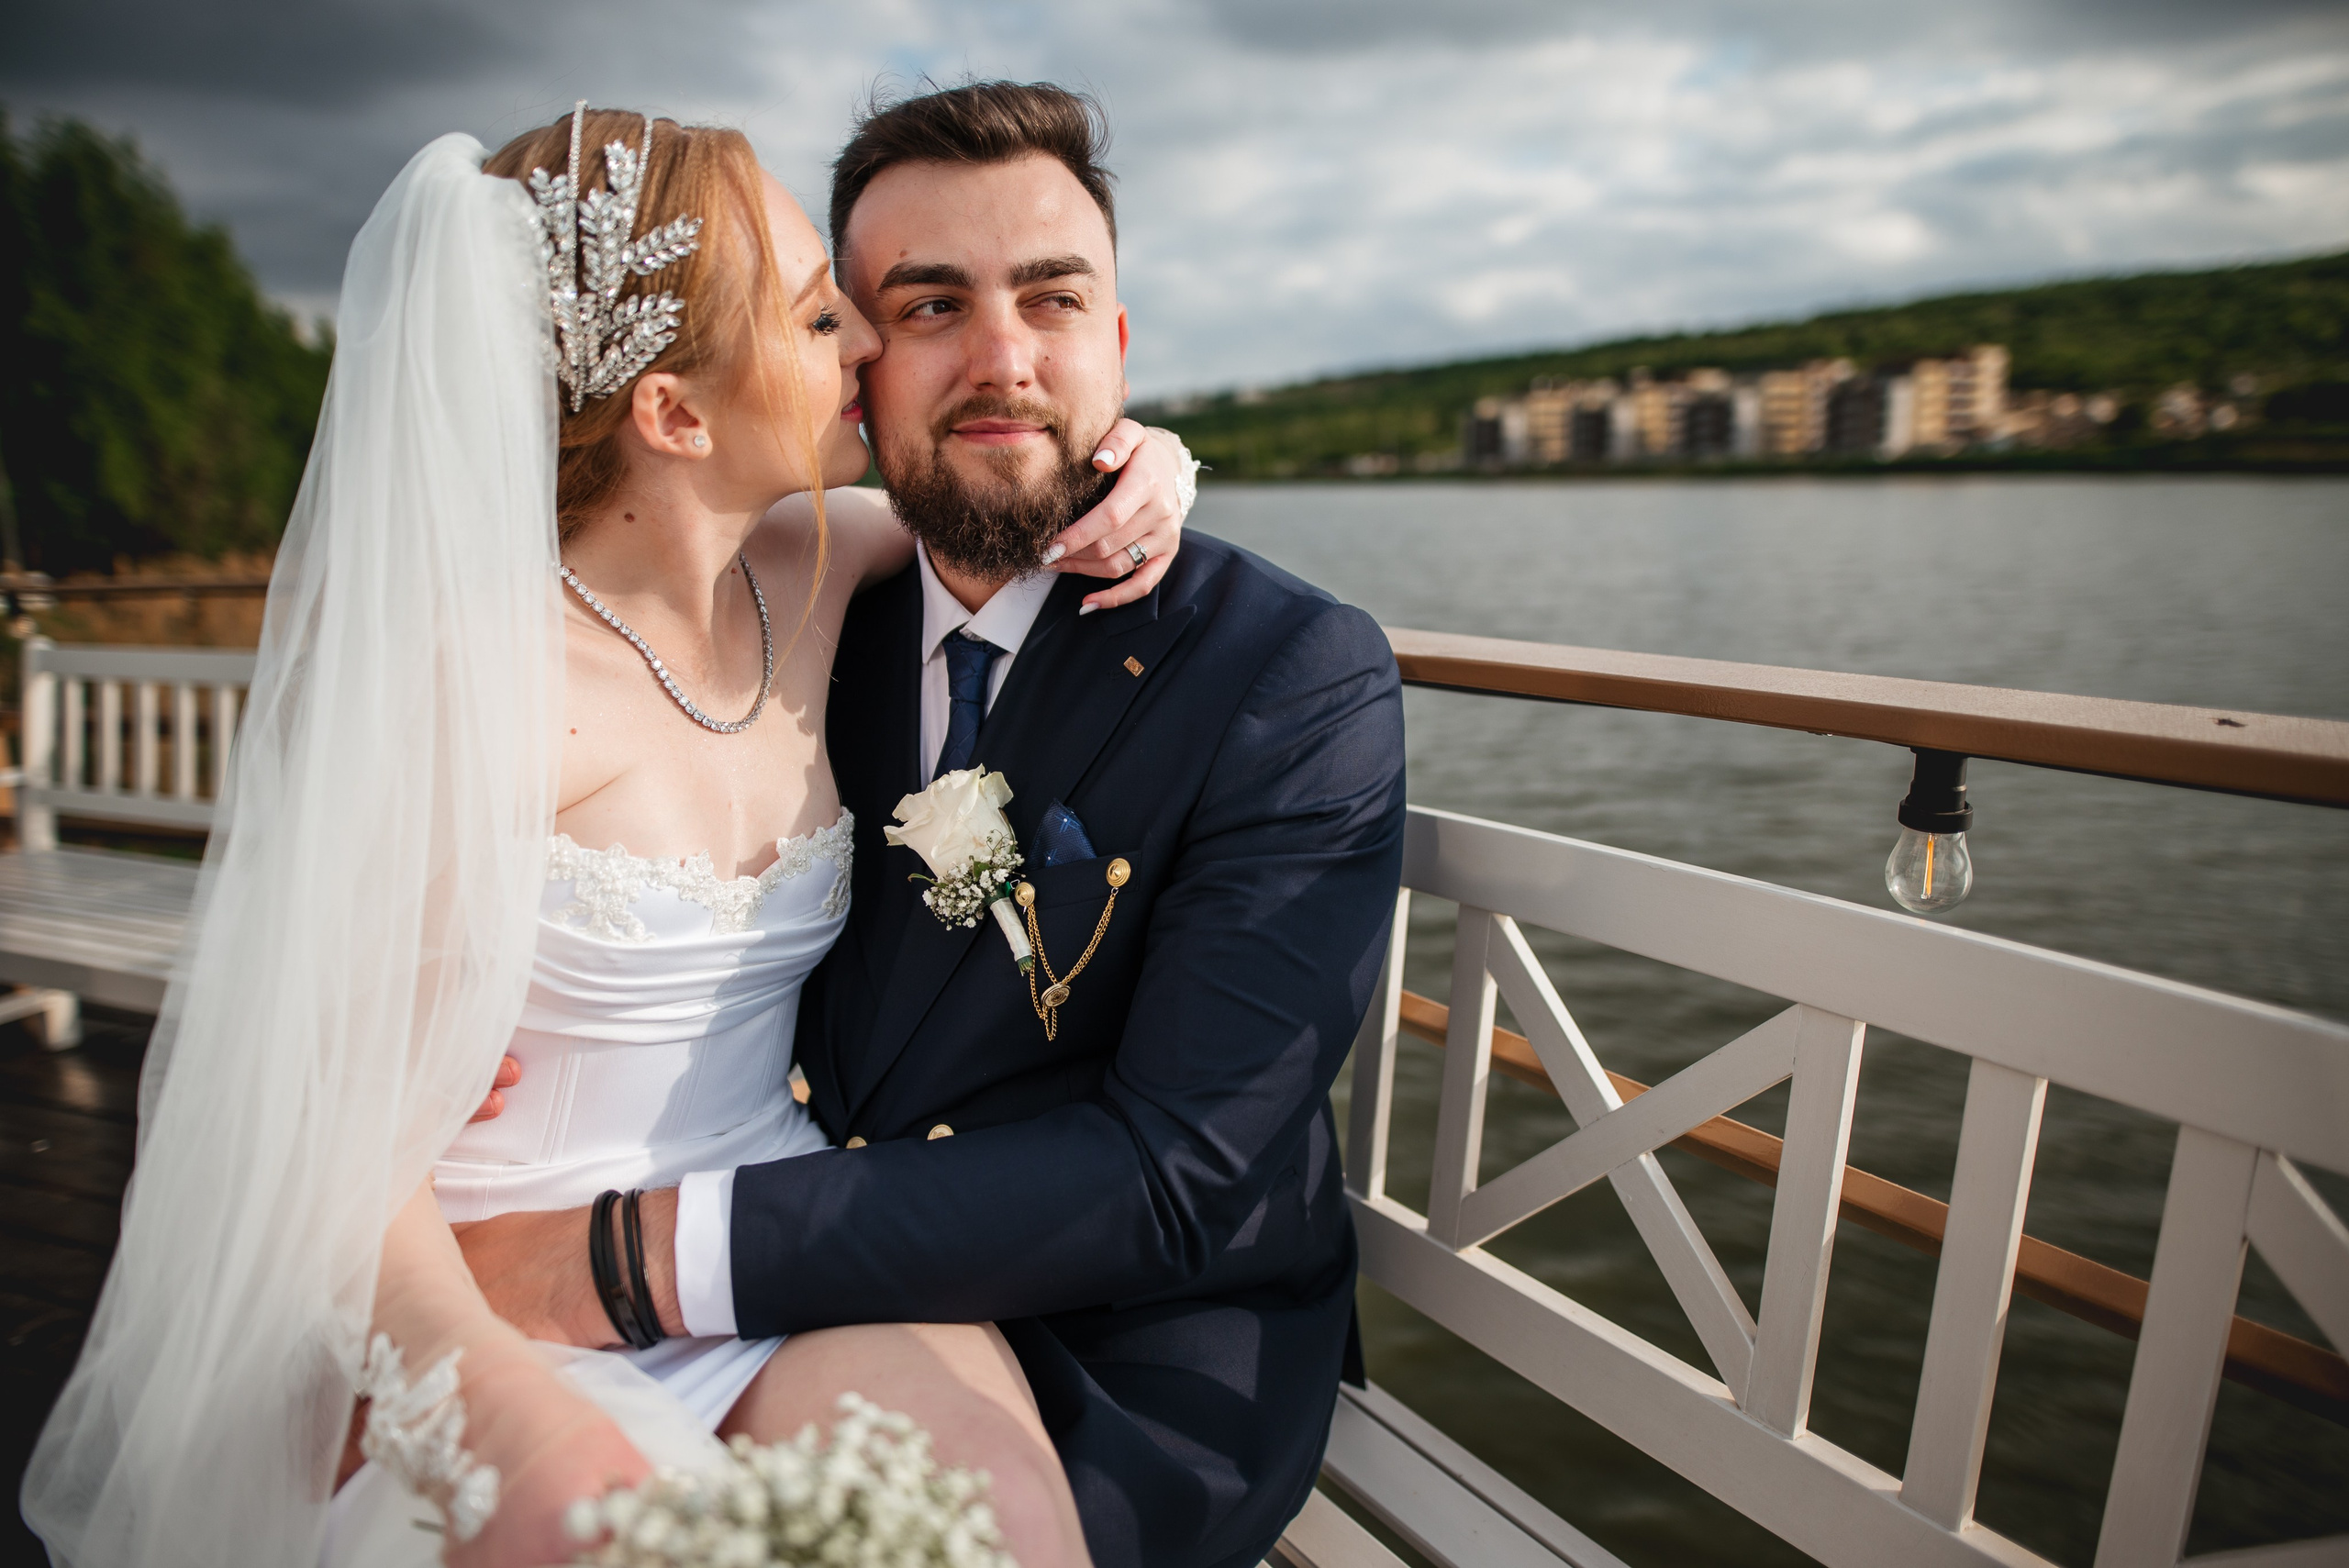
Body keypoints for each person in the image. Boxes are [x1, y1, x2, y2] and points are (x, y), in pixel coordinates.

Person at [23, 102, 1194, 1568]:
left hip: (756, 1214)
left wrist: (1145, 461)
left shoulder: (817, 573)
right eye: (816, 310)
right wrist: (504, 1407)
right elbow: (328, 1144)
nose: (867, 345)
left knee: (1002, 1528)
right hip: (477, 1274)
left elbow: (1008, 488)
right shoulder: (474, 679)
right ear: (676, 414)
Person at [458, 82, 1408, 1568]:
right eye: (928, 305)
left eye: (1054, 300)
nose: (1005, 359)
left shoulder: (1285, 672)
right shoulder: (787, 599)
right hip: (792, 1259)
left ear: (1117, 341)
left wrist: (629, 1260)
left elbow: (1179, 1173)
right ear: (853, 361)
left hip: (1124, 1345)